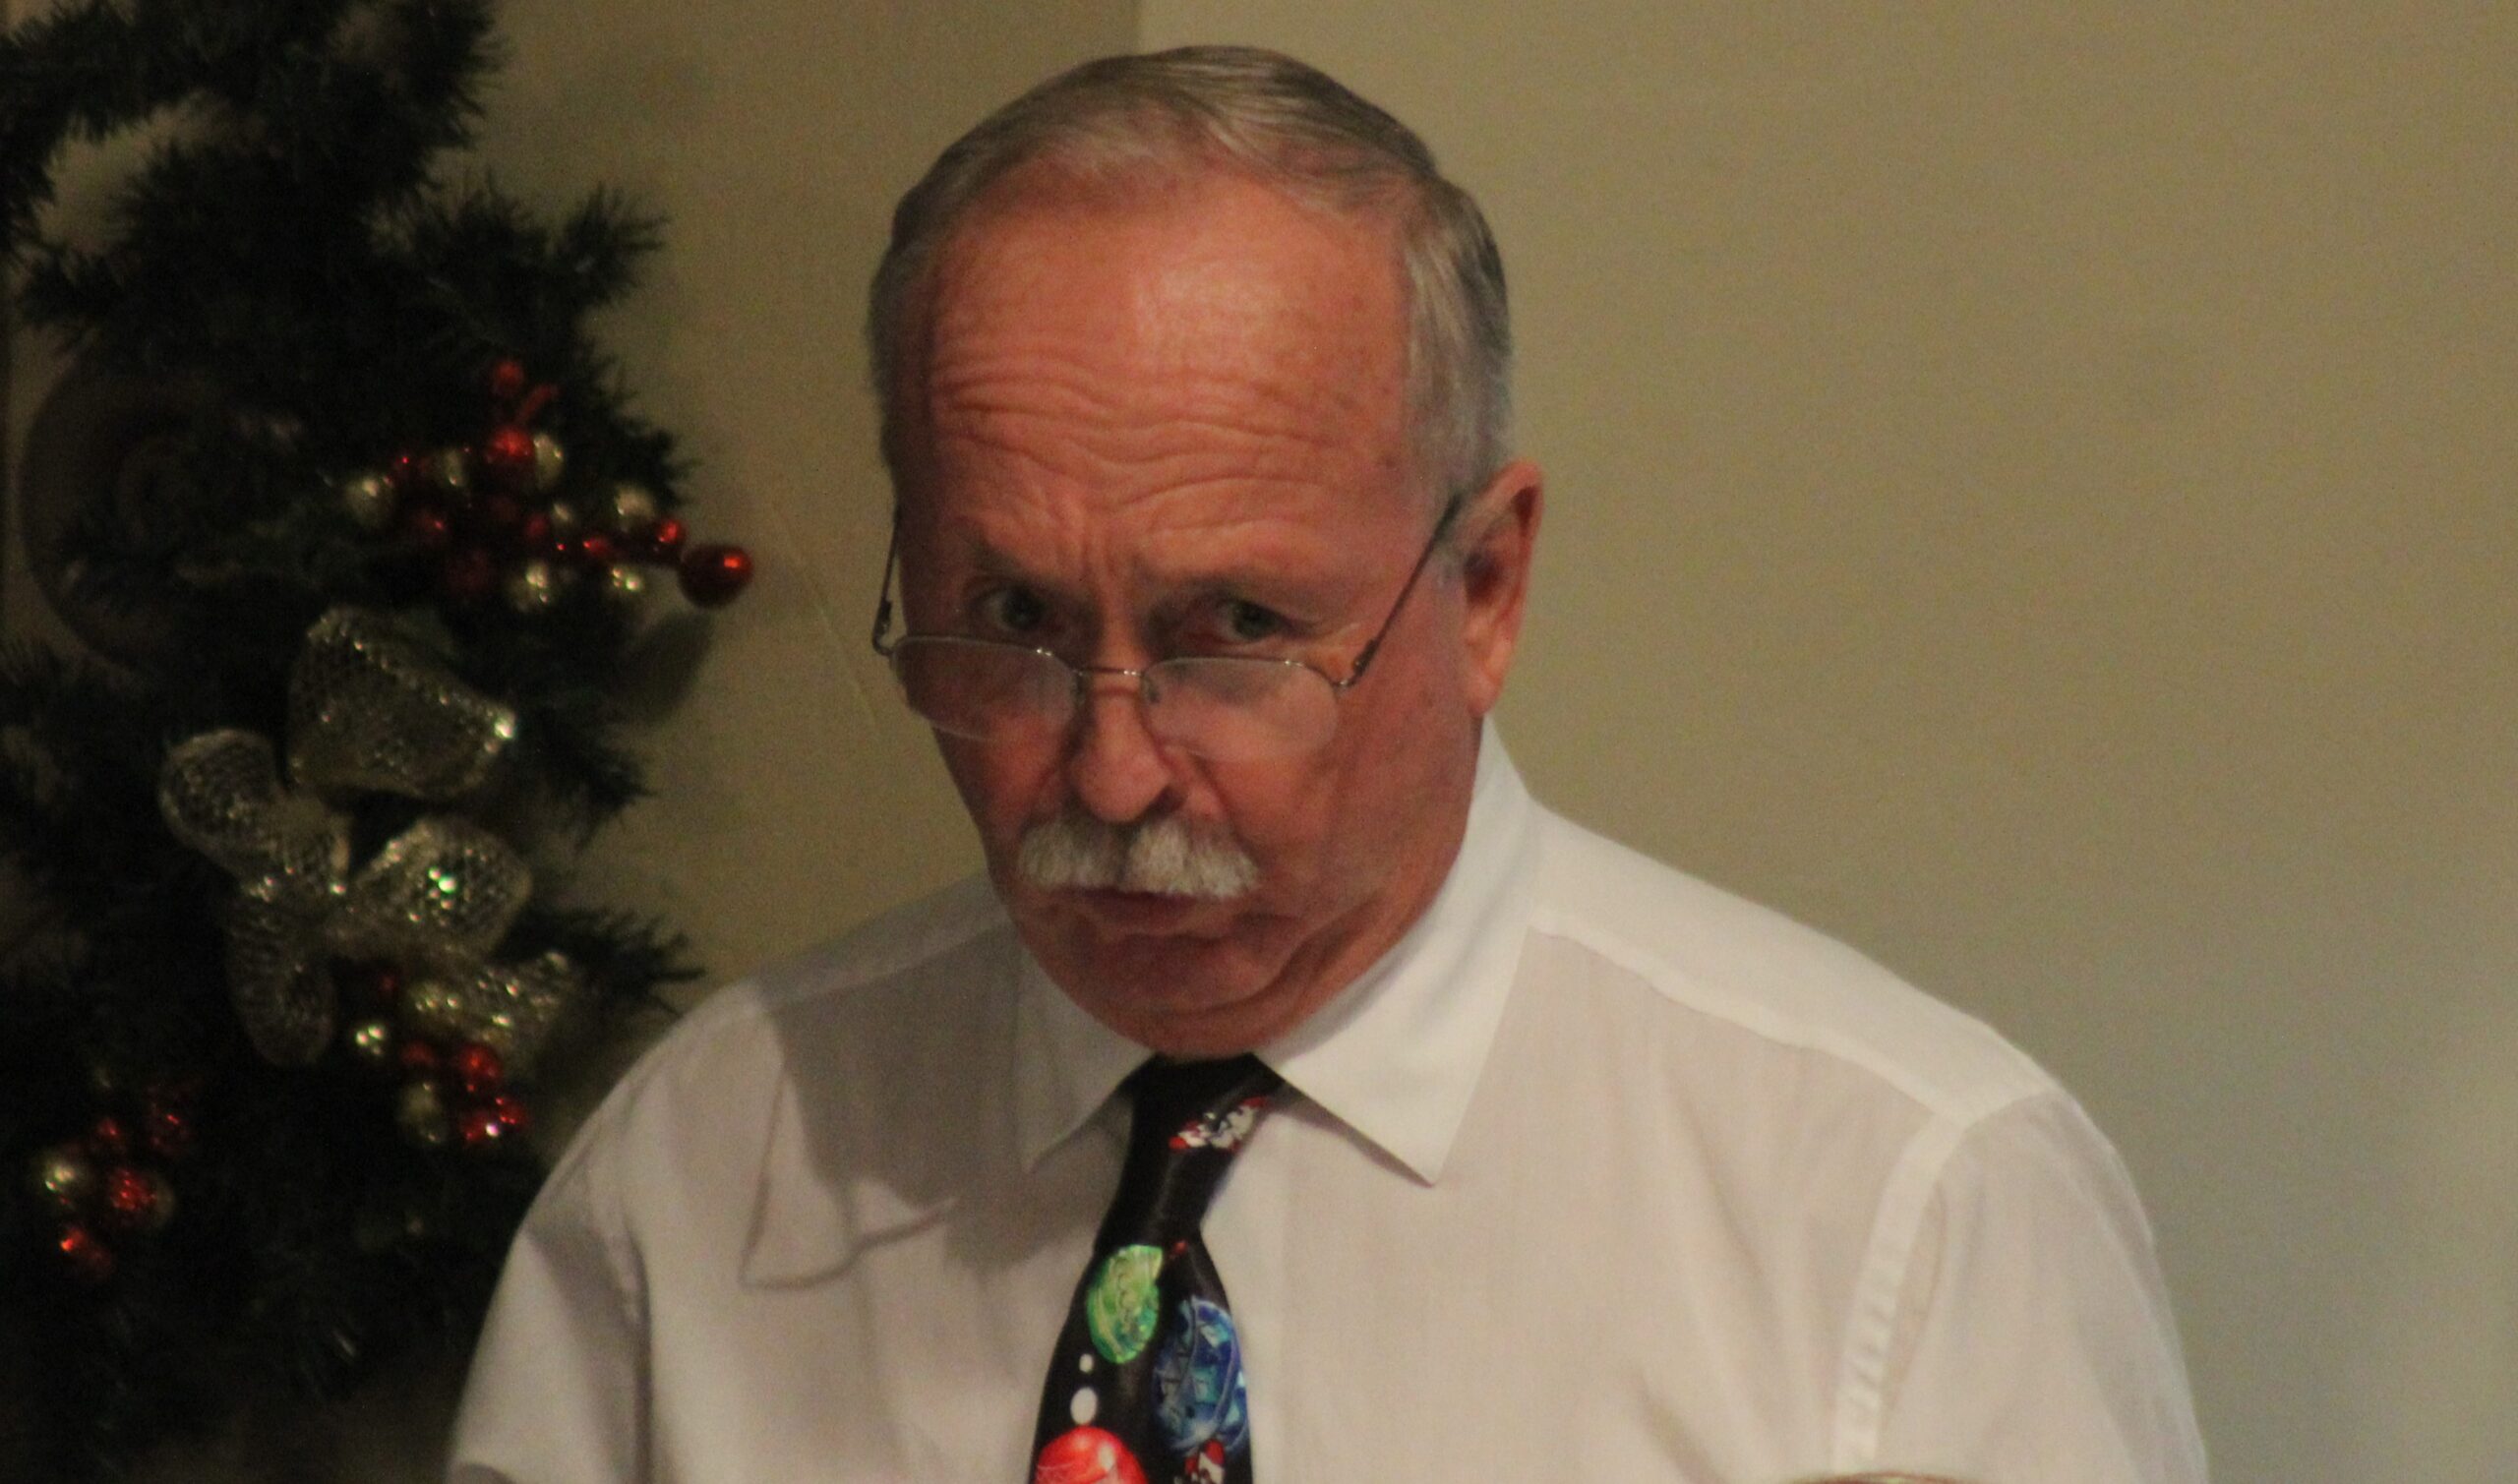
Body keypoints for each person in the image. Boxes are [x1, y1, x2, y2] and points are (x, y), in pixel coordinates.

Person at [448, 45, 2207, 1484]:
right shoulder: (706, 1165)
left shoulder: (1901, 1210)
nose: (1112, 776)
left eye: (1233, 628)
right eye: (1012, 619)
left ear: (1486, 586)